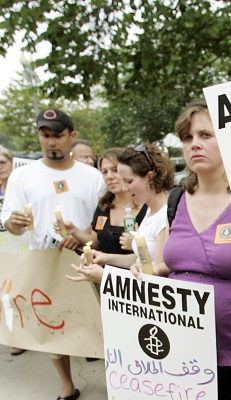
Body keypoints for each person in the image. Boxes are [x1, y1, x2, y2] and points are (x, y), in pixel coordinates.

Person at [132, 100, 231, 400]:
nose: (195, 144)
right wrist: (144, 271)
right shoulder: (175, 200)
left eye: (206, 135)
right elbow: (169, 264)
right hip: (182, 351)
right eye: (188, 137)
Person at [0, 108, 105, 400]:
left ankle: (117, 376)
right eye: (45, 135)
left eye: (57, 135)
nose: (51, 142)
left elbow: (103, 219)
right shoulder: (23, 176)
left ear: (71, 136)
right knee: (53, 322)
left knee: (97, 319)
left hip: (86, 259)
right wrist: (14, 223)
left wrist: (84, 236)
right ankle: (67, 384)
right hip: (43, 261)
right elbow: (12, 223)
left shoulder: (92, 176)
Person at [68, 143, 172, 283]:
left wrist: (104, 276)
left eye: (129, 181)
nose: (125, 188)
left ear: (150, 177)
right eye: (104, 172)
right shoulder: (150, 211)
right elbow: (142, 259)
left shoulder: (164, 214)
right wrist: (106, 258)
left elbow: (158, 275)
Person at [0, 145, 27, 357]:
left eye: (2, 162)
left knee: (20, 292)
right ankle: (13, 335)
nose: (0, 168)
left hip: (23, 249)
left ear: (11, 162)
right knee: (5, 295)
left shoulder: (21, 187)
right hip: (3, 251)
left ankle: (25, 333)